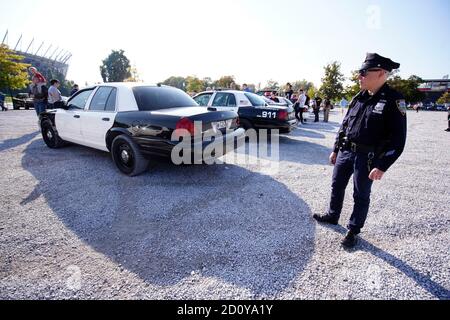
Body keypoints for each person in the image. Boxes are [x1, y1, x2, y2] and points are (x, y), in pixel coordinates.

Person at [313, 53, 407, 248]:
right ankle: (332, 215)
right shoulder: (358, 97)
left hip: (367, 156)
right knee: (336, 185)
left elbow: (398, 139)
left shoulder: (393, 100)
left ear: (381, 73)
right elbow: (345, 125)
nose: (359, 76)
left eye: (364, 72)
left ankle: (353, 230)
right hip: (346, 151)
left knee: (361, 194)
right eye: (359, 72)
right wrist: (336, 149)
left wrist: (383, 165)